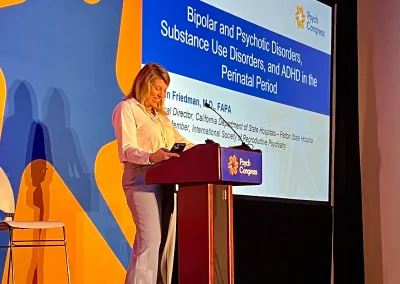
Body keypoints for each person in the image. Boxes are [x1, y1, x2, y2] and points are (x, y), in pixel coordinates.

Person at [112, 62, 195, 284]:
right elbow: (126, 150)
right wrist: (152, 156)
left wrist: (206, 150)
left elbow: (181, 142)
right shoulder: (127, 108)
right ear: (144, 84)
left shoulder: (160, 117)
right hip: (141, 180)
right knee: (150, 241)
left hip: (165, 183)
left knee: (158, 245)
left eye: (165, 91)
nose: (161, 94)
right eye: (158, 88)